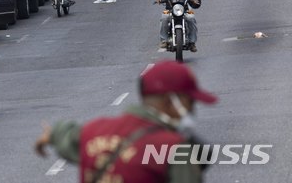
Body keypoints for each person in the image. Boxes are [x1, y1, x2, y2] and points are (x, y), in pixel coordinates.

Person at [35, 60, 217, 183]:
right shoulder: (174, 149)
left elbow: (66, 134)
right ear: (170, 102)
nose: (193, 109)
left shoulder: (92, 132)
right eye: (190, 101)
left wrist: (50, 136)